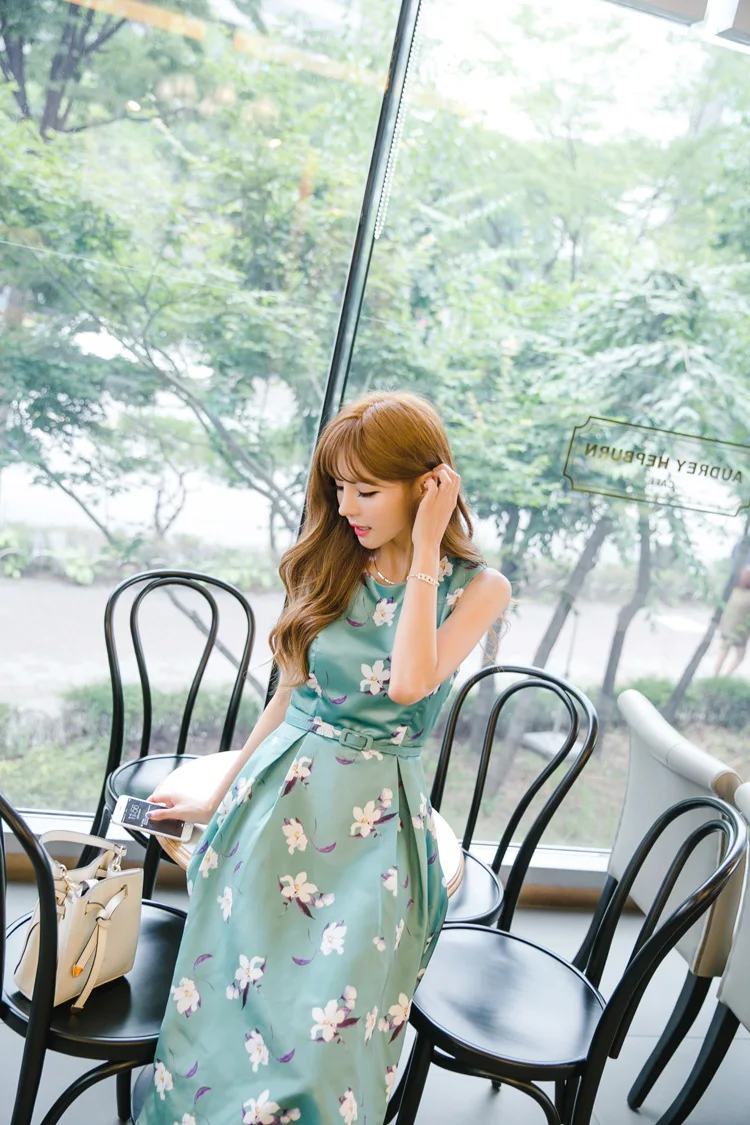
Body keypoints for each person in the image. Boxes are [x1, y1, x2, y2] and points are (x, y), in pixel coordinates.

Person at [136, 390, 511, 1125]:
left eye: (366, 490)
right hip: (283, 797)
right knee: (228, 1001)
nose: (345, 508)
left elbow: (409, 684)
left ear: (427, 486)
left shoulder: (479, 588)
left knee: (327, 1034)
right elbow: (287, 698)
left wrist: (425, 551)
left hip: (377, 827)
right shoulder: (333, 564)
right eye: (338, 487)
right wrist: (219, 797)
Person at [714, 566, 750, 677]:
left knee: (723, 652)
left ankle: (715, 676)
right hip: (740, 632)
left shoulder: (733, 591)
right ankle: (725, 676)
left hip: (726, 627)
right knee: (740, 657)